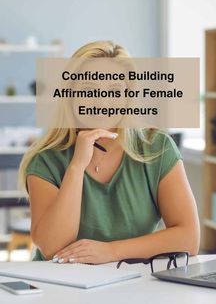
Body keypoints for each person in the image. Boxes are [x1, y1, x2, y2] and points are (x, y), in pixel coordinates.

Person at [18, 41, 200, 264]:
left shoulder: (157, 147)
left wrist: (111, 251)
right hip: (61, 286)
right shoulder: (45, 160)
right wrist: (76, 167)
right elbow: (52, 248)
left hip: (134, 280)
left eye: (114, 90)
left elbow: (189, 238)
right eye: (88, 90)